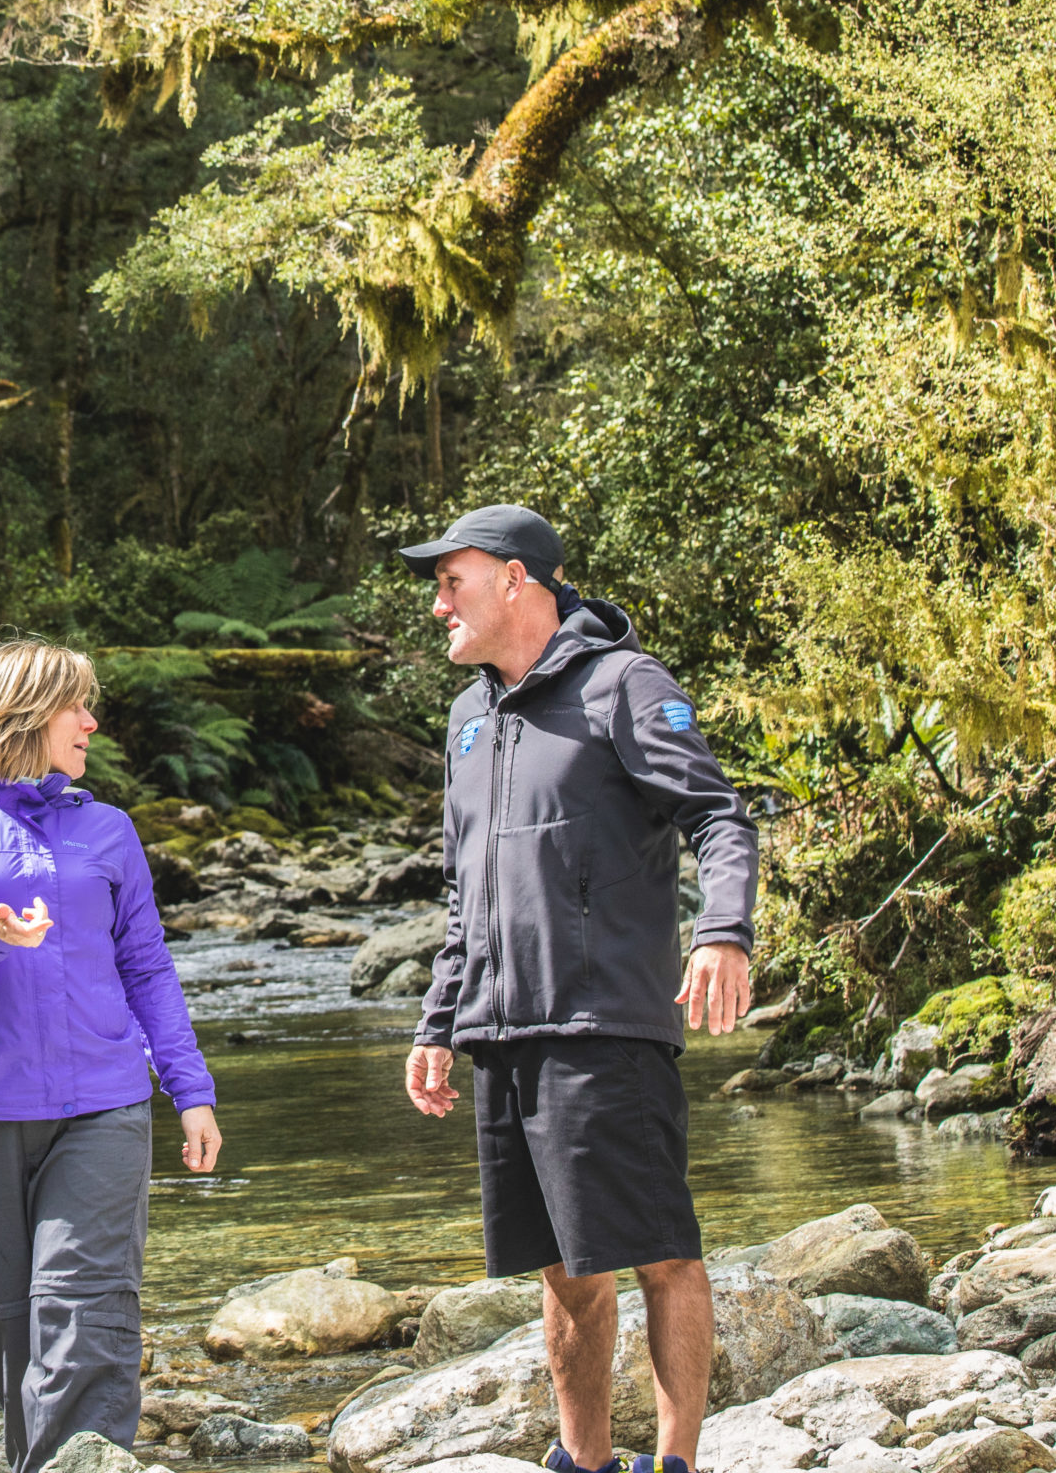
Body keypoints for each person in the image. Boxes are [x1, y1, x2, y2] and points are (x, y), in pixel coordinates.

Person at [396, 507, 759, 1473]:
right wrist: (440, 1021)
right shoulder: (470, 720)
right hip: (502, 1036)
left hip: (607, 1025)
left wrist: (723, 933)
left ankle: (678, 1463)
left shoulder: (623, 686)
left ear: (518, 580)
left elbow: (720, 819)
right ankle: (585, 1463)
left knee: (661, 1253)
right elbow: (463, 893)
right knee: (564, 1269)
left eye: (451, 582)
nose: (438, 605)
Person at [0, 639, 222, 1473]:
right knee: (7, 1326)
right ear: (24, 715)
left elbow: (147, 967)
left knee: (86, 1313)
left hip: (104, 1107)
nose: (93, 722)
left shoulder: (108, 828)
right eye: (78, 706)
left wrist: (191, 1088)